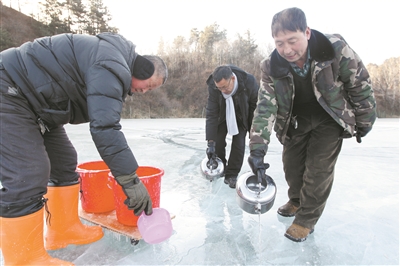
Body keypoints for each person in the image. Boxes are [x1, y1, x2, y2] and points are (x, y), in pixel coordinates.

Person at [0, 32, 168, 265]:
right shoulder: (112, 65)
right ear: (142, 70)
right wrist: (129, 180)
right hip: (10, 90)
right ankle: (24, 259)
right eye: (148, 85)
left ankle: (63, 229)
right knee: (26, 174)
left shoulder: (113, 63)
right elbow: (106, 129)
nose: (144, 91)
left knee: (64, 161)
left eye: (150, 90)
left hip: (40, 107)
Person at [248, 7, 377, 242]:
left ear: (306, 32)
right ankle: (297, 200)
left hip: (330, 117)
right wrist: (257, 149)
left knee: (318, 169)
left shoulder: (335, 48)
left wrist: (365, 119)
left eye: (292, 41)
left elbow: (359, 83)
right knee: (292, 167)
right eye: (279, 43)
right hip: (295, 120)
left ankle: (306, 219)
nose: (286, 50)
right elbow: (265, 106)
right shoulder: (271, 66)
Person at [205, 65, 259, 188]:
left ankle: (232, 175)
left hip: (242, 114)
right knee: (217, 142)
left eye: (225, 87)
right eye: (219, 88)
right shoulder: (214, 87)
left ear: (233, 79)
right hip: (222, 114)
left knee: (239, 143)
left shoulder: (249, 82)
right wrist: (211, 143)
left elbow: (254, 108)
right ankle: (221, 166)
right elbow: (211, 113)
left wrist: (254, 135)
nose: (223, 90)